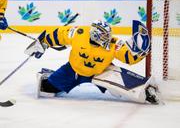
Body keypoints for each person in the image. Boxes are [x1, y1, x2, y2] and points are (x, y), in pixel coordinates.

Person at [25, 20, 161, 104]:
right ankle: (49, 76)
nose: (108, 38)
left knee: (124, 90)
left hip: (102, 72)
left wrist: (140, 53)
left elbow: (128, 57)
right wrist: (43, 42)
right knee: (47, 88)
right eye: (104, 36)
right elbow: (59, 35)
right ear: (95, 35)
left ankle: (147, 90)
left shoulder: (114, 43)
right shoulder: (78, 33)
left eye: (108, 35)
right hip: (73, 70)